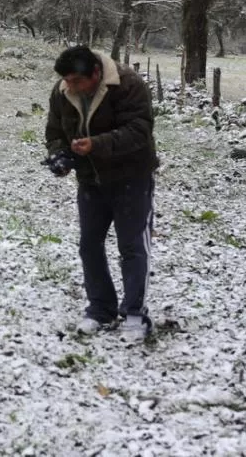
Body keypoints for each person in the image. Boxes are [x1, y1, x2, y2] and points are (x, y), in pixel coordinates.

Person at [44, 45, 158, 341]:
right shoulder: (62, 91)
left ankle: (134, 313)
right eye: (67, 81)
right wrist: (60, 156)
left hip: (131, 178)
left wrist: (97, 144)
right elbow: (54, 131)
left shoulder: (128, 84)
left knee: (132, 246)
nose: (70, 87)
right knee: (89, 245)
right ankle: (100, 309)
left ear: (95, 74)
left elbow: (140, 130)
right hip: (90, 181)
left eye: (77, 82)